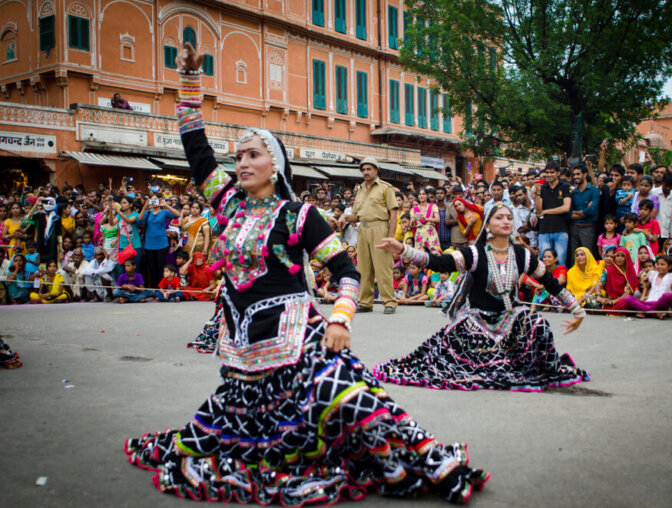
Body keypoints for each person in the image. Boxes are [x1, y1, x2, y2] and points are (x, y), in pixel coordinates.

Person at [126, 43, 486, 505]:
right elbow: (196, 149)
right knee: (246, 436)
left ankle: (423, 461)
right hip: (244, 350)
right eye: (238, 156)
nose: (241, 163)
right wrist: (190, 82)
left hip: (301, 343)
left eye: (253, 155)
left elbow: (346, 269)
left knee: (356, 407)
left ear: (274, 166)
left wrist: (340, 319)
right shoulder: (228, 204)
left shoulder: (299, 215)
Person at [373, 204, 588, 391]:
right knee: (478, 351)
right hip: (477, 320)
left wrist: (577, 310)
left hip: (511, 316)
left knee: (538, 324)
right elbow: (439, 263)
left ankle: (523, 363)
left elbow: (551, 283)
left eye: (509, 217)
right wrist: (403, 249)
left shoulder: (523, 255)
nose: (506, 221)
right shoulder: (475, 254)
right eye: (499, 217)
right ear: (487, 226)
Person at [343, 157, 399, 314]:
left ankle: (389, 302)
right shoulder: (360, 189)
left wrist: (391, 237)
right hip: (363, 228)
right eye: (363, 169)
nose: (365, 172)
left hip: (379, 227)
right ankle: (365, 302)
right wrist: (343, 218)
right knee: (363, 267)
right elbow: (356, 215)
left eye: (369, 169)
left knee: (383, 266)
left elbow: (393, 214)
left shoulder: (386, 188)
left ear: (376, 170)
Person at [612, 255, 672, 319]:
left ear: (669, 267)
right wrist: (642, 297)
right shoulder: (653, 274)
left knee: (668, 295)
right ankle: (655, 313)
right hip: (649, 302)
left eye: (662, 264)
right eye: (658, 264)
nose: (659, 266)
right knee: (627, 298)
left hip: (661, 303)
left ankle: (646, 311)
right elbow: (646, 287)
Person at [140, 192, 180, 289]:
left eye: (155, 200)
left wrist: (166, 205)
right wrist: (145, 206)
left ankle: (161, 289)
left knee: (161, 268)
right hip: (149, 245)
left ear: (159, 200)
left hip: (162, 244)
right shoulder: (148, 213)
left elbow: (177, 215)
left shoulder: (164, 212)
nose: (153, 202)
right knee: (152, 269)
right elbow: (139, 220)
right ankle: (154, 289)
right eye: (152, 200)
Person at [535, 161, 572, 263]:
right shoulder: (542, 188)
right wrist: (538, 193)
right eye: (547, 172)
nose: (549, 175)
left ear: (558, 173)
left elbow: (566, 208)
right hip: (544, 230)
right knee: (545, 262)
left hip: (560, 230)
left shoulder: (565, 186)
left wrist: (546, 211)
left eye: (552, 172)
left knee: (560, 261)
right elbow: (538, 211)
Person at [569, 164, 599, 263]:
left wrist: (576, 212)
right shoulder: (573, 193)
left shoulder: (594, 190)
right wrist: (585, 212)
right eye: (574, 175)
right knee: (574, 258)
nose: (575, 177)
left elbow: (592, 211)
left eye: (578, 174)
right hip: (574, 228)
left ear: (585, 174)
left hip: (588, 228)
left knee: (588, 257)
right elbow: (569, 214)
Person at [598, 247, 638, 312]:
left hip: (622, 299)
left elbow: (628, 292)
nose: (619, 258)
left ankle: (606, 308)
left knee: (627, 301)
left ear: (626, 258)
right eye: (617, 256)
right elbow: (600, 283)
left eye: (622, 256)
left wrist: (614, 301)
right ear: (615, 257)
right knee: (590, 298)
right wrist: (599, 297)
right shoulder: (608, 270)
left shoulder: (630, 272)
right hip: (608, 298)